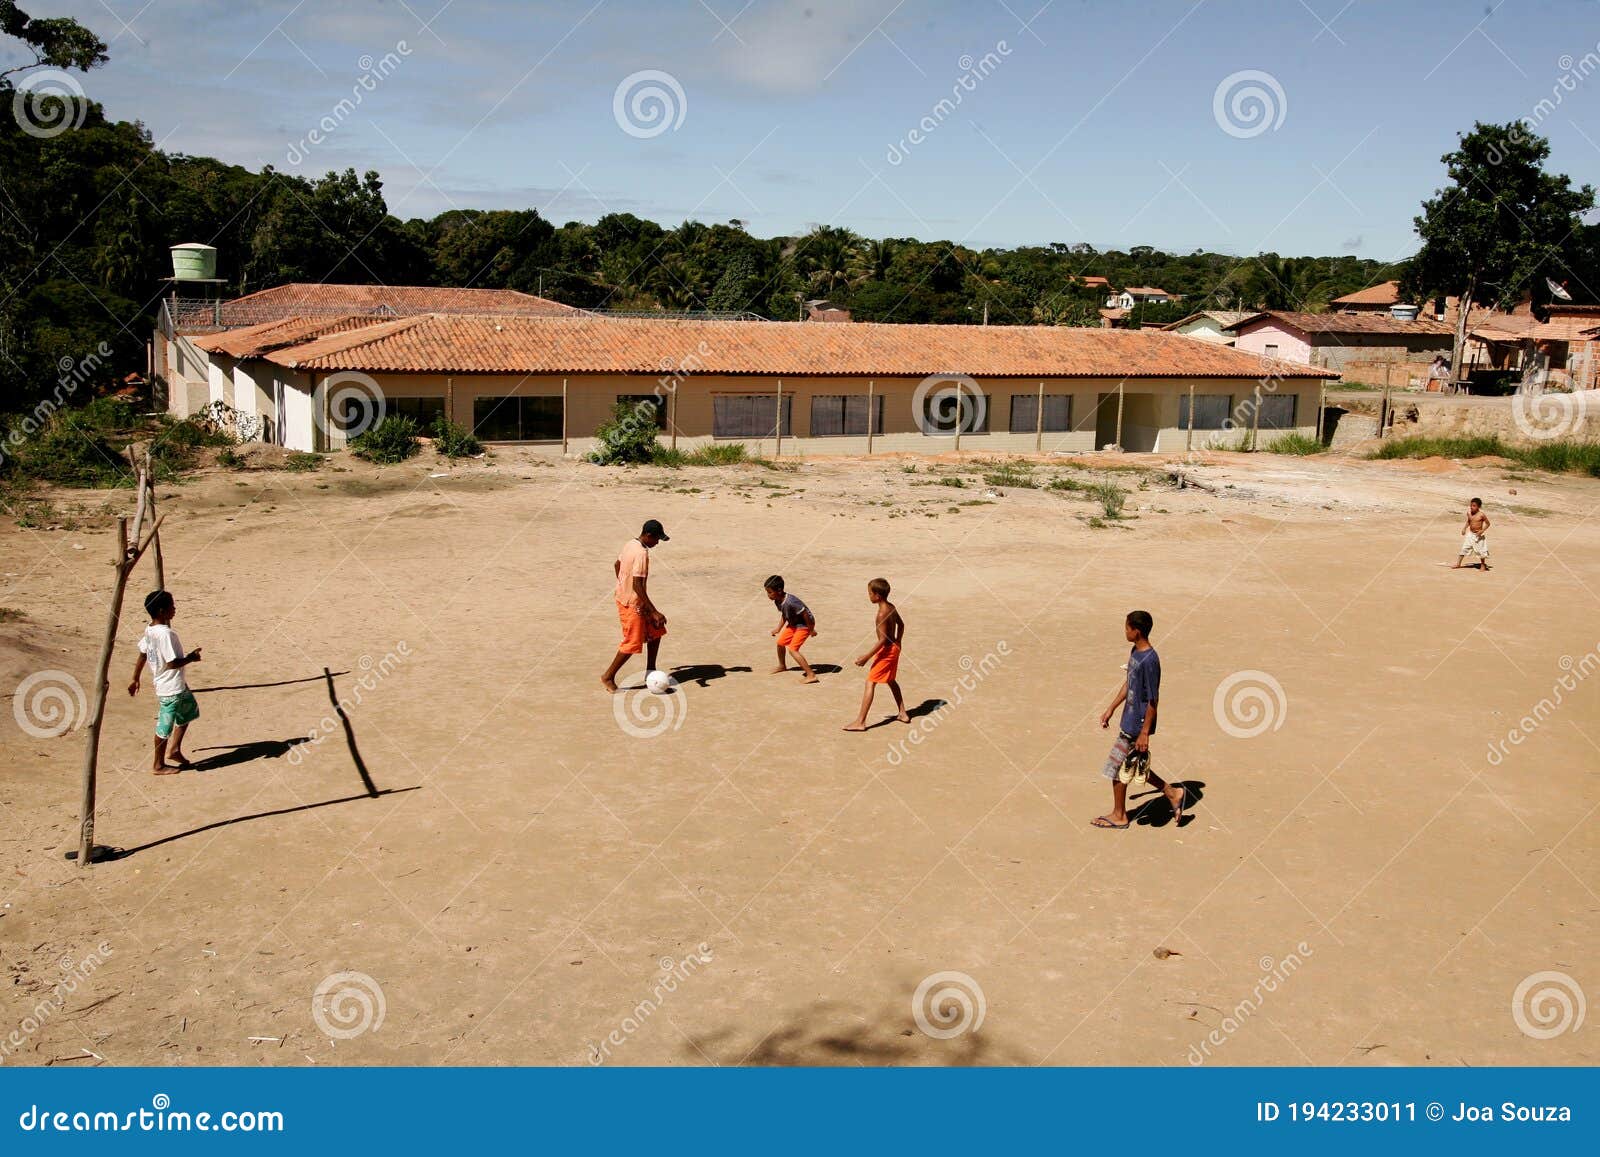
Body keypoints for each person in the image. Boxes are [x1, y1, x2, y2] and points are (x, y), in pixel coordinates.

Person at [1091, 610, 1184, 829]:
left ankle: (1120, 815)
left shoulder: (1150, 661)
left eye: (1127, 627)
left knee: (1116, 767)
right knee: (1132, 765)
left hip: (1138, 723)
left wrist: (1144, 732)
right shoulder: (1135, 652)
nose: (1125, 631)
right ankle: (1173, 793)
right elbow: (1129, 683)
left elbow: (1153, 699)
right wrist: (1111, 708)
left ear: (1137, 631)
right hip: (1129, 718)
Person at [127, 589, 202, 774]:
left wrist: (135, 677)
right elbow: (172, 663)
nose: (174, 609)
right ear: (162, 610)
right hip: (170, 687)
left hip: (177, 685)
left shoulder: (150, 630)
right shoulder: (166, 634)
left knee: (189, 711)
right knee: (164, 726)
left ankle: (175, 749)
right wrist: (191, 658)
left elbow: (143, 654)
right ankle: (158, 765)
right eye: (172, 606)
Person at [601, 519, 669, 693]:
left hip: (632, 599)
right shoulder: (641, 554)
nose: (657, 543)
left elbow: (617, 564)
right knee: (633, 641)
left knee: (656, 630)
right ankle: (608, 676)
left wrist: (622, 584)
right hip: (632, 603)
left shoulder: (630, 544)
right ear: (648, 536)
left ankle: (651, 671)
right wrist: (653, 611)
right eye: (656, 539)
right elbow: (637, 585)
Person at [844, 578, 908, 731]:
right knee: (891, 680)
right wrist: (898, 641)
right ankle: (903, 713)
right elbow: (901, 624)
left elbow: (882, 640)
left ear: (877, 595)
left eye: (870, 593)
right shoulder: (891, 607)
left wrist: (866, 657)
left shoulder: (881, 614)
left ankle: (860, 721)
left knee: (870, 682)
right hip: (894, 649)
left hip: (886, 651)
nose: (869, 596)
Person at [764, 575, 819, 684]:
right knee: (780, 643)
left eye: (770, 592)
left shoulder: (791, 601)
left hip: (805, 625)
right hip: (794, 624)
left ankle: (811, 675)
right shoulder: (778, 601)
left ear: (779, 590)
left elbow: (805, 614)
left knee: (793, 649)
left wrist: (811, 629)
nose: (768, 595)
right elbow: (785, 615)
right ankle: (782, 665)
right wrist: (778, 628)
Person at [1453, 497, 1491, 571]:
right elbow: (1469, 521)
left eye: (1474, 506)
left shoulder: (1481, 515)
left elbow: (1488, 524)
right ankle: (1458, 564)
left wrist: (1482, 531)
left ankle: (1483, 565)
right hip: (1470, 534)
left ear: (1478, 507)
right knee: (1464, 548)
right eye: (1471, 505)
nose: (1471, 507)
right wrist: (1464, 528)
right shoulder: (1469, 513)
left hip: (1478, 536)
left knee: (1481, 551)